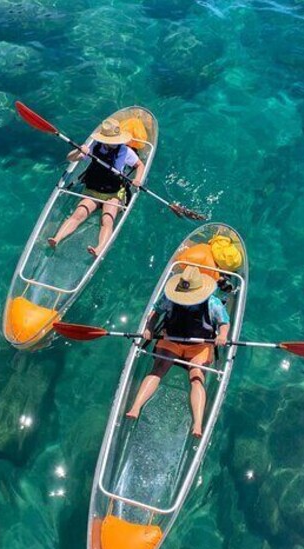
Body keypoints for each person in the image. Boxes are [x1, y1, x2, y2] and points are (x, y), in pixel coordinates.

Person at [125, 266, 230, 438]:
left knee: (196, 378)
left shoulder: (213, 303)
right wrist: (149, 328)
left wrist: (223, 335)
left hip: (199, 346)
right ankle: (136, 407)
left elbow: (224, 322)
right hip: (172, 340)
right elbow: (155, 313)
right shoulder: (170, 297)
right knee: (158, 370)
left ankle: (197, 424)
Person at [47, 118, 146, 256]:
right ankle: (56, 239)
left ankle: (99, 249)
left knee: (107, 219)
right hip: (93, 190)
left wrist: (137, 179)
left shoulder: (125, 151)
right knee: (78, 214)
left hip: (113, 193)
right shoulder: (95, 147)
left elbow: (139, 165)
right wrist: (79, 152)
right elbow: (70, 158)